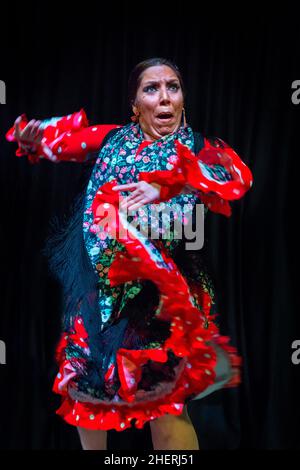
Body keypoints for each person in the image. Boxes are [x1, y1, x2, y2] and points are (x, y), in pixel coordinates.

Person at [6, 57, 253, 450]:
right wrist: (34, 136)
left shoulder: (194, 148)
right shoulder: (112, 139)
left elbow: (236, 176)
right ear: (135, 103)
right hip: (98, 292)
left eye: (172, 87)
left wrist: (168, 184)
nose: (164, 97)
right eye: (151, 89)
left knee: (167, 409)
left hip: (157, 299)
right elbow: (63, 143)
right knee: (87, 399)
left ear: (183, 98)